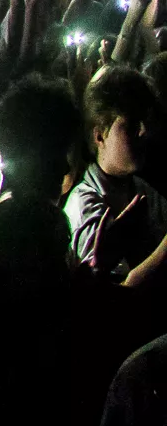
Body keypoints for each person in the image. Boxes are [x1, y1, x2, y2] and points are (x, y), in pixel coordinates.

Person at [62, 65, 166, 277]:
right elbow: (113, 289)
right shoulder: (84, 205)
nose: (143, 132)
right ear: (99, 136)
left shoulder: (143, 189)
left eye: (145, 122)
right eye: (131, 125)